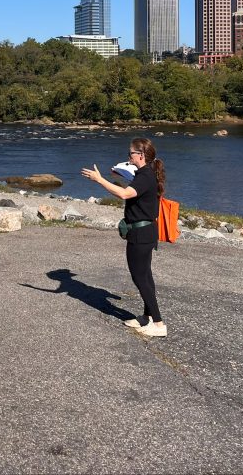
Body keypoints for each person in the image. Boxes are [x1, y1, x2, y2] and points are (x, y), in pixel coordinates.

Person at [81, 137, 167, 338]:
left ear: (141, 155)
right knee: (145, 275)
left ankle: (158, 322)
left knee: (140, 277)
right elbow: (131, 190)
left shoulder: (145, 176)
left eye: (130, 153)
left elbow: (125, 195)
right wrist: (115, 177)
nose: (128, 157)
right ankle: (146, 317)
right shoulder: (145, 174)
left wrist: (100, 180)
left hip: (141, 233)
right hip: (144, 232)